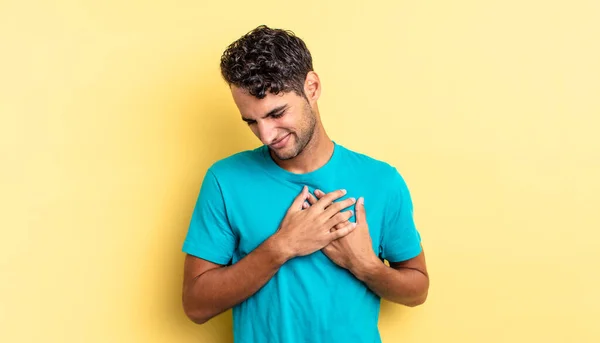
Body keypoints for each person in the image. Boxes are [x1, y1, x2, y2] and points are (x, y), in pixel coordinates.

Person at [181, 25, 429, 343]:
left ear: (311, 87)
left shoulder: (381, 181)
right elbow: (196, 306)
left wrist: (366, 266)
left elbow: (417, 290)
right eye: (251, 121)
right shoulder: (225, 181)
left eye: (277, 113)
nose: (267, 135)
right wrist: (282, 246)